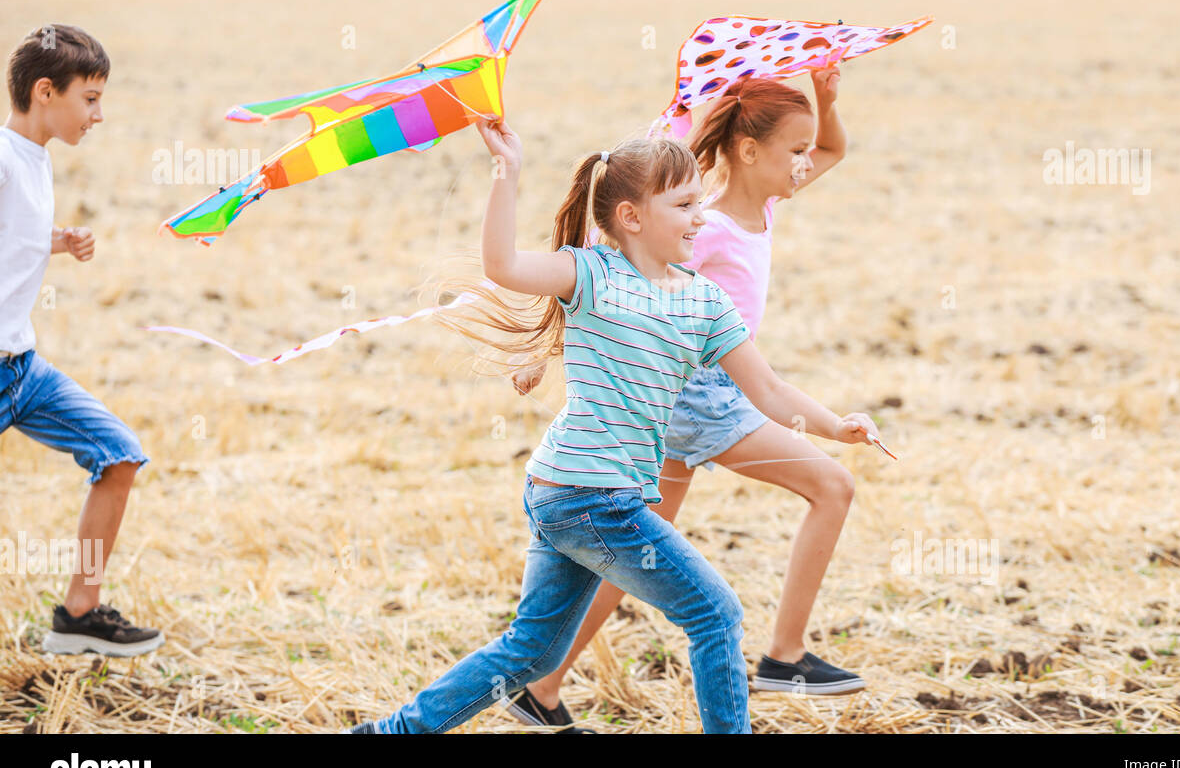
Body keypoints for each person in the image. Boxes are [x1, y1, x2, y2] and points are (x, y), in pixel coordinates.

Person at [354, 115, 883, 733]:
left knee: (533, 652)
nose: (700, 216)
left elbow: (767, 388)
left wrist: (833, 426)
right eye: (684, 204)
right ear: (632, 218)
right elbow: (501, 264)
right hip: (587, 496)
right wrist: (508, 170)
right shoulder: (589, 273)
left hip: (574, 495)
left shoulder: (702, 300)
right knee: (715, 614)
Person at [511, 69, 867, 728]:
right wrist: (542, 351)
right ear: (749, 151)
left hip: (684, 399)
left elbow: (835, 150)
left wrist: (828, 101)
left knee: (637, 551)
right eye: (794, 151)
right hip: (698, 399)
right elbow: (619, 283)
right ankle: (785, 657)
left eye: (805, 151)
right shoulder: (708, 232)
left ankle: (543, 686)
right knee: (832, 487)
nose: (805, 163)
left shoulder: (764, 203)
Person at [1, 24, 161, 656]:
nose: (99, 114)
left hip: (22, 368)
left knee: (118, 454)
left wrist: (55, 242)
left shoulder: (32, 158)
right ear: (46, 91)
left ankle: (79, 615)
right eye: (90, 98)